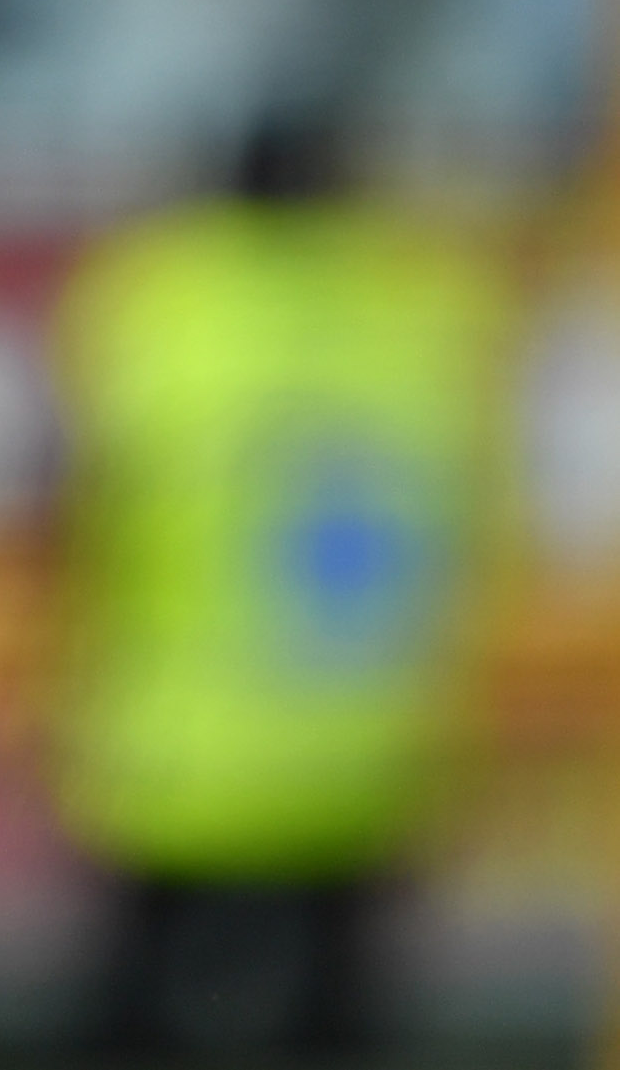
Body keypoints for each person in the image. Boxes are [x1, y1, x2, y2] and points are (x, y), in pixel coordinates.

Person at [49, 118, 505, 1060]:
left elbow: (68, 503)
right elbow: (480, 523)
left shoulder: (152, 299)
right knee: (341, 1017)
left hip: (172, 753)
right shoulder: (424, 305)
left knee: (133, 1011)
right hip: (364, 757)